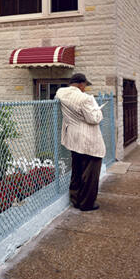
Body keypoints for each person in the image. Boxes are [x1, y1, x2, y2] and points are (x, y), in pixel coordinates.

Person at [55, 73, 106, 211]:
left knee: (77, 170)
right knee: (90, 174)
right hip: (89, 141)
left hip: (73, 139)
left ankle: (75, 199)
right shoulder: (86, 99)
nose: (85, 89)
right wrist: (98, 110)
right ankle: (87, 204)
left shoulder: (60, 93)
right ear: (81, 84)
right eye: (85, 86)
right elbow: (94, 119)